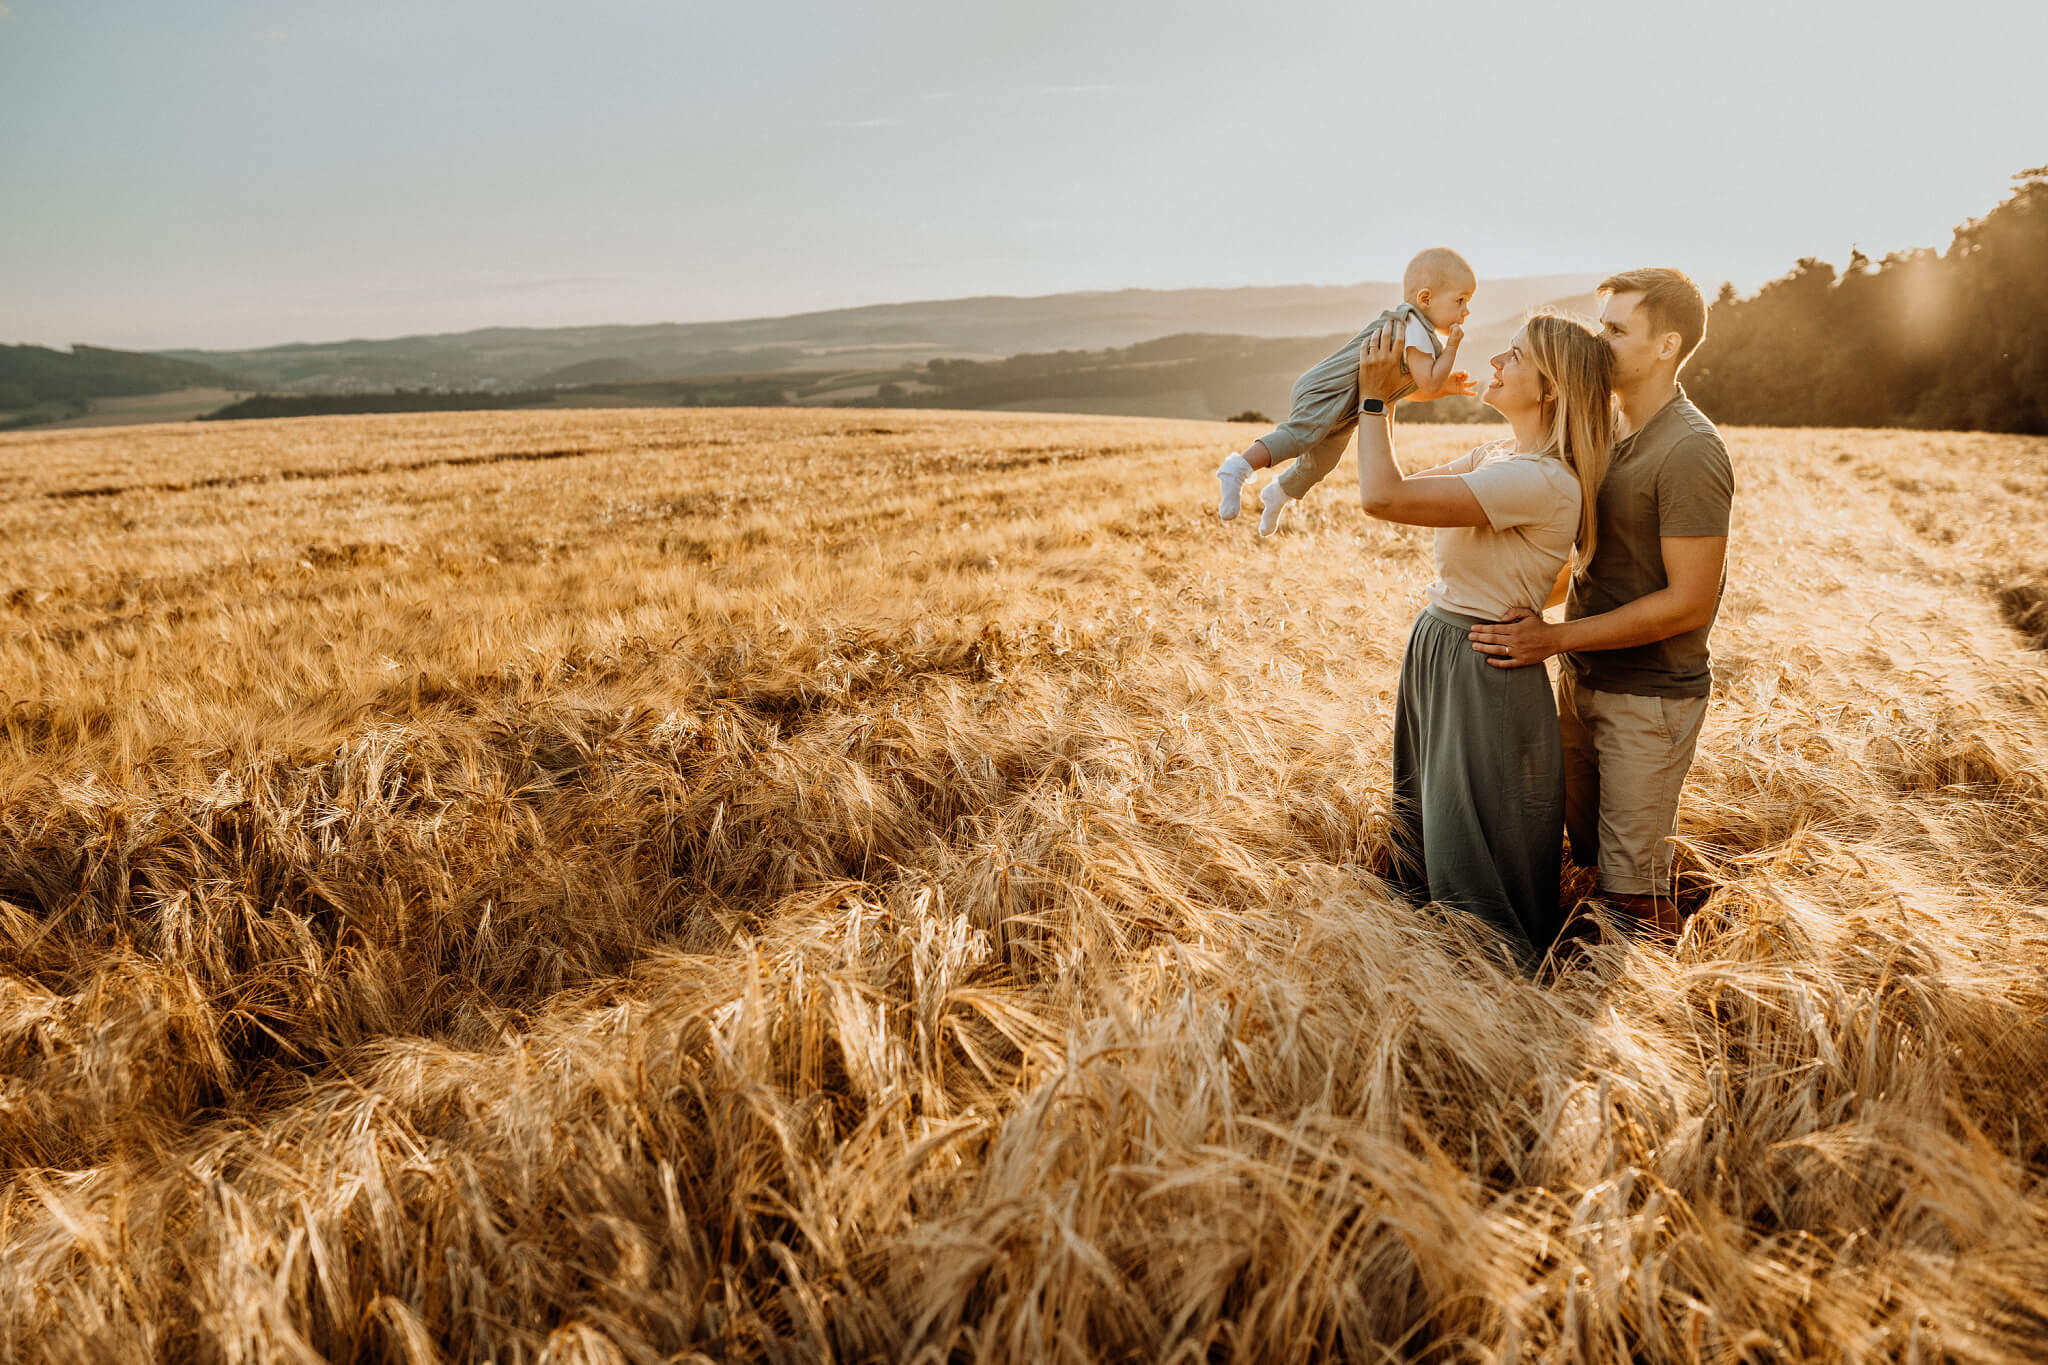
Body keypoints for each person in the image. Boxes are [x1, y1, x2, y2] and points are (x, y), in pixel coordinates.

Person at [1466, 269, 1734, 941]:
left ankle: (1675, 999)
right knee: (1587, 860)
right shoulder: (1606, 428)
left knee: (1632, 894)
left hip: (1648, 700)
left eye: (1616, 330)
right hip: (1581, 679)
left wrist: (1554, 638)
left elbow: (1690, 602)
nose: (1598, 340)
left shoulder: (1690, 450)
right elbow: (1587, 557)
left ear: (1667, 346)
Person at [1351, 311, 1615, 970]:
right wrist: (1402, 394)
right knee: (1428, 830)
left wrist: (1377, 398)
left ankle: (1493, 995)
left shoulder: (1541, 479)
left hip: (1482, 666)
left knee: (1472, 850)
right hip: (1441, 649)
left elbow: (1382, 497)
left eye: (1515, 356)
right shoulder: (1500, 457)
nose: (1496, 361)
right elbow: (1398, 484)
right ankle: (1432, 985)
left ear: (1550, 389)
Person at [1216, 248, 1478, 537]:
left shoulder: (1419, 333)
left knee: (1321, 464)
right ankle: (1238, 467)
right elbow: (1428, 382)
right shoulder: (1413, 329)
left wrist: (1446, 387)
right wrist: (1452, 348)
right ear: (1425, 299)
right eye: (1460, 300)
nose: (1466, 310)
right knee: (1299, 437)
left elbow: (1402, 392)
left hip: (1345, 409)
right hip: (1327, 391)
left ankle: (1278, 493)